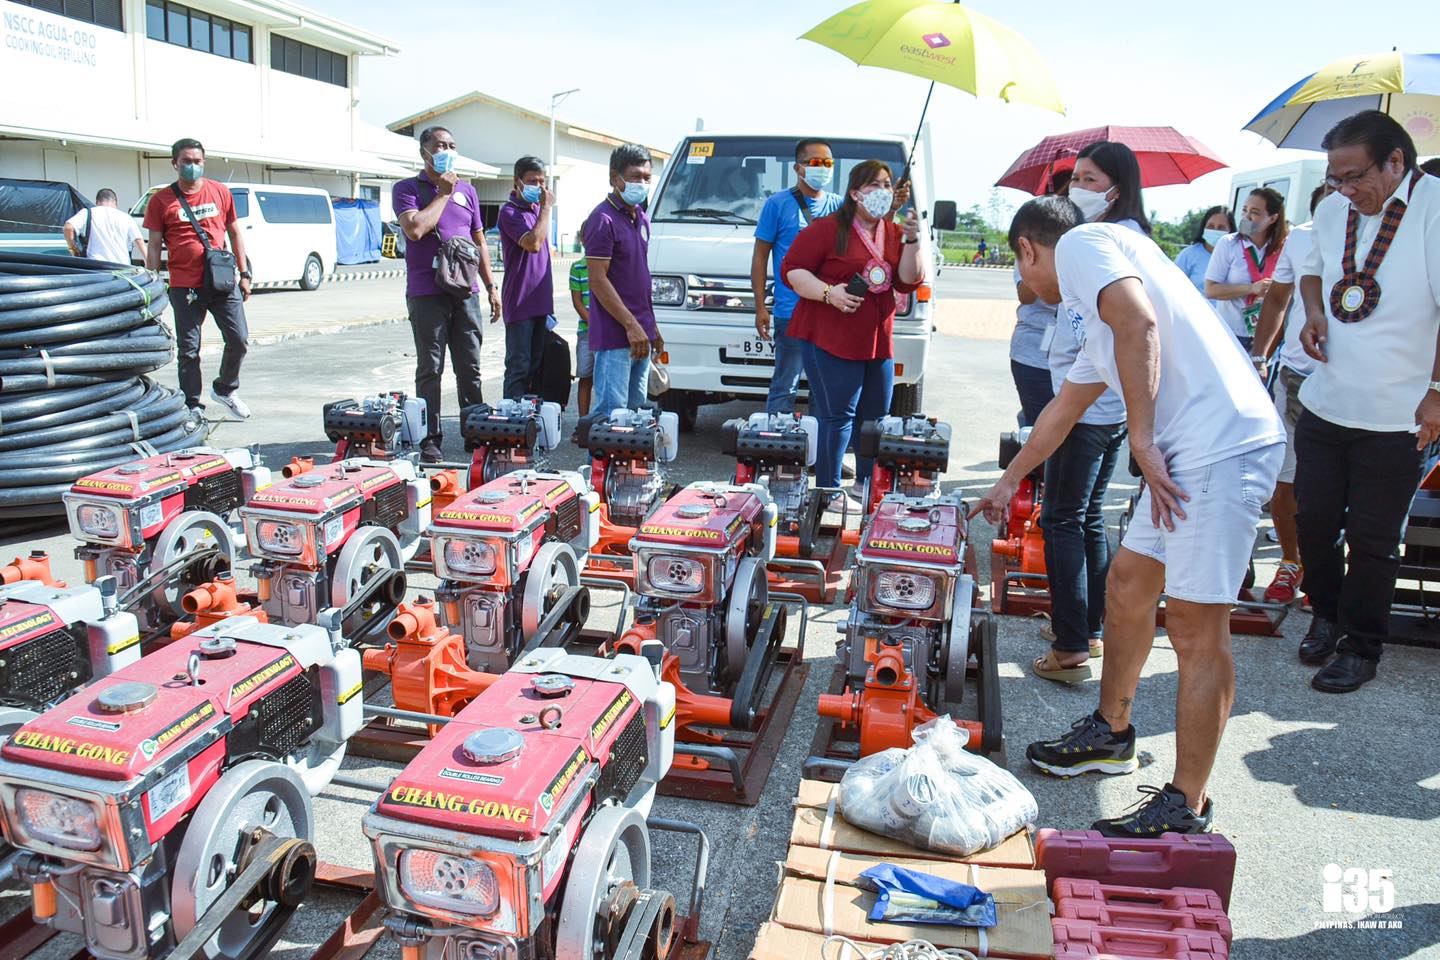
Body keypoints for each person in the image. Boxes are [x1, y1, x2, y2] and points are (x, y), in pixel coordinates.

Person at [976, 196, 1284, 837]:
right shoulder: (1094, 307)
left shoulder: (1085, 244)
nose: (1023, 282)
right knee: (1128, 584)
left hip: (1217, 449)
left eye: (1018, 266)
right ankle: (1112, 733)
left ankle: (1185, 806)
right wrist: (1008, 483)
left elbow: (1141, 326)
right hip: (1187, 453)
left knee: (1198, 629)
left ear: (1029, 248)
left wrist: (1141, 442)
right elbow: (1063, 408)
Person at [1294, 110, 1440, 693]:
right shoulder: (1333, 213)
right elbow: (1310, 270)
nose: (1345, 190)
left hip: (1399, 415)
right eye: (1335, 178)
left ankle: (1361, 647)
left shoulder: (1433, 208)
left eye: (1355, 177)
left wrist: (1436, 393)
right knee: (1314, 521)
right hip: (1327, 402)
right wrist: (1312, 313)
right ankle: (1327, 614)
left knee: (1375, 539)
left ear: (1396, 162)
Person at [1031, 142, 1144, 680]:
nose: (1078, 186)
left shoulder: (1098, 245)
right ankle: (1089, 628)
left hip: (1090, 408)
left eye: (1090, 179)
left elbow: (1122, 331)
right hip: (1109, 406)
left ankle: (1072, 643)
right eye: (1075, 177)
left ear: (1117, 189)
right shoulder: (1126, 239)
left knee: (1062, 519)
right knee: (1087, 517)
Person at [781, 160, 924, 492]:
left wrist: (913, 241)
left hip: (877, 341)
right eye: (875, 185)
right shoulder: (827, 229)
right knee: (838, 417)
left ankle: (866, 485)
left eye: (888, 185)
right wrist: (830, 293)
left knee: (875, 419)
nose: (884, 191)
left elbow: (907, 282)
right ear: (856, 193)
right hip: (830, 337)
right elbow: (793, 271)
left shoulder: (895, 233)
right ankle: (828, 490)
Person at [393, 126, 501, 462]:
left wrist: (491, 286)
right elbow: (415, 229)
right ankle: (430, 438)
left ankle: (476, 433)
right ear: (424, 151)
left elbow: (479, 241)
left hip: (465, 290)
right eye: (440, 145)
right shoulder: (407, 189)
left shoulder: (467, 191)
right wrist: (441, 193)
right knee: (431, 368)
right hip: (427, 292)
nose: (447, 150)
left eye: (452, 145)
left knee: (469, 365)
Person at [1250, 184, 1332, 605]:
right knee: (1285, 485)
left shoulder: (1384, 238)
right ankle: (1290, 562)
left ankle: (1326, 575)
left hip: (1351, 385)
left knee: (1334, 492)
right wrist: (1260, 355)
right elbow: (1279, 297)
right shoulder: (1301, 237)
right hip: (1296, 376)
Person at [143, 138, 252, 420]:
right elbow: (154, 245)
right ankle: (192, 405)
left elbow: (235, 233)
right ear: (175, 163)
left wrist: (245, 273)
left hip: (221, 281)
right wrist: (152, 283)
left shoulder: (219, 192)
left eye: (197, 161)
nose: (192, 166)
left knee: (239, 339)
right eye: (187, 161)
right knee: (189, 350)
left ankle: (226, 388)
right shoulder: (161, 201)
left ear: (204, 162)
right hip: (184, 285)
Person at [753, 139, 844, 415]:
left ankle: (822, 454)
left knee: (824, 387)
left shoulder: (839, 206)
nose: (823, 169)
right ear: (798, 168)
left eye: (828, 163)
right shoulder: (777, 205)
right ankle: (774, 448)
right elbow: (760, 258)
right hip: (790, 313)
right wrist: (760, 307)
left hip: (829, 312)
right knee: (785, 384)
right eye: (816, 163)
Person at [582, 143, 663, 417]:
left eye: (646, 177)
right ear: (615, 178)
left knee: (634, 412)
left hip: (641, 333)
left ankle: (626, 463)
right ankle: (594, 462)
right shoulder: (602, 220)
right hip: (616, 335)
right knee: (611, 414)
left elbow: (639, 277)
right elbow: (597, 280)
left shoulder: (640, 218)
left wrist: (652, 328)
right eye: (635, 176)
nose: (642, 183)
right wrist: (630, 325)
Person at [1009, 170, 1071, 427]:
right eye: (1069, 188)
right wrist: (1041, 258)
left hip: (1075, 358)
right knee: (1038, 428)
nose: (1073, 196)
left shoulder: (1092, 240)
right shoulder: (1032, 241)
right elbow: (1025, 295)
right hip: (1035, 352)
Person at [498, 156, 555, 400]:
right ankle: (511, 419)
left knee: (536, 367)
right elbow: (533, 243)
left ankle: (531, 419)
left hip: (540, 302)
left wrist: (541, 210)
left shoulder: (536, 211)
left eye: (543, 181)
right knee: (518, 367)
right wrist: (546, 208)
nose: (540, 188)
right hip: (520, 302)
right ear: (517, 181)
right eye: (533, 181)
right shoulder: (510, 212)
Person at [1205, 188, 1289, 350]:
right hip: (1228, 332)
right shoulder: (1229, 243)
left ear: (1272, 218)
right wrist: (1250, 288)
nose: (1247, 216)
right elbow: (1211, 290)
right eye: (1245, 210)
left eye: (1255, 212)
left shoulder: (1284, 247)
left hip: (1265, 337)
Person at [66, 189, 146, 265]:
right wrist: (148, 263)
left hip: (96, 267)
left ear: (97, 202)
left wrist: (73, 248)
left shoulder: (87, 213)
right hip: (122, 267)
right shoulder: (126, 217)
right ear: (115, 203)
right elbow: (139, 241)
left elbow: (68, 228)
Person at [1173, 206, 1235, 294]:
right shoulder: (1189, 255)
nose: (1215, 230)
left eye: (1221, 227)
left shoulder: (1238, 256)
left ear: (1231, 231)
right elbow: (1173, 287)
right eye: (1210, 226)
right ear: (1203, 228)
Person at [569, 249, 594, 416]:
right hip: (586, 332)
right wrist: (595, 324)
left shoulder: (611, 265)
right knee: (585, 378)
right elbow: (577, 303)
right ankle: (583, 423)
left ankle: (602, 424)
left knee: (604, 380)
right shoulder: (578, 267)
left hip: (607, 334)